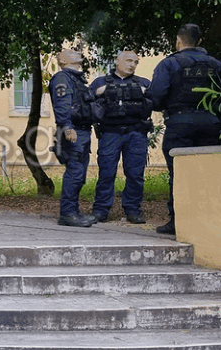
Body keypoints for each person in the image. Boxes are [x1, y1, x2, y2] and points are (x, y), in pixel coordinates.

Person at [147, 24, 221, 235]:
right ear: (199, 42)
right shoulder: (215, 64)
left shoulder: (169, 64)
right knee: (209, 173)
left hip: (179, 124)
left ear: (178, 41)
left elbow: (156, 96)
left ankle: (177, 222)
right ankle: (208, 220)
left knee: (178, 174)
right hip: (211, 123)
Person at [89, 50, 153, 224]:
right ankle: (101, 210)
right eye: (129, 60)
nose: (132, 64)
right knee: (107, 173)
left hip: (136, 133)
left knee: (135, 173)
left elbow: (156, 100)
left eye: (135, 62)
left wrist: (144, 92)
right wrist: (100, 92)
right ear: (118, 61)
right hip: (110, 133)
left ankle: (133, 209)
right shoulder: (100, 82)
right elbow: (86, 99)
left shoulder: (144, 83)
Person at [49, 49, 98, 227]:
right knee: (75, 173)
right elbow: (62, 105)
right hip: (73, 132)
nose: (77, 53)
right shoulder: (63, 78)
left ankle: (74, 211)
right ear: (62, 60)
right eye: (71, 52)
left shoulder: (76, 79)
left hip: (82, 131)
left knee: (80, 174)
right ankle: (67, 214)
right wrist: (67, 126)